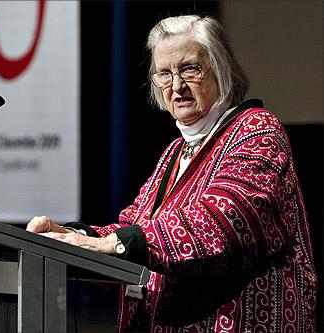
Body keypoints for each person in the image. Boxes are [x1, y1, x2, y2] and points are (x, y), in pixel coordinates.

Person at [27, 15, 317, 332]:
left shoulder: (256, 130)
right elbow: (134, 227)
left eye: (189, 69)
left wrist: (113, 244)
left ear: (221, 69)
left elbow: (226, 219)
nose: (176, 86)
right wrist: (77, 238)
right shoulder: (174, 153)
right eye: (164, 74)